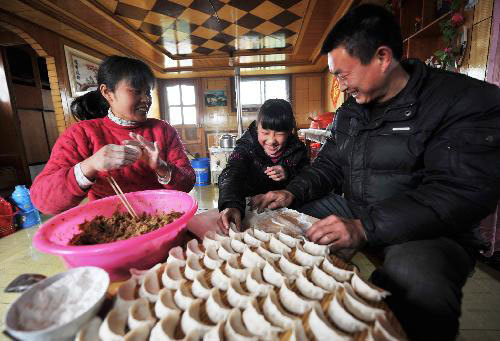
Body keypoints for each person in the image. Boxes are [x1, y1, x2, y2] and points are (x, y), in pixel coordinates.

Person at [251, 4, 500, 340]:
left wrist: (364, 227)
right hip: (360, 209)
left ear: (382, 58)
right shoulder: (353, 109)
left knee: (418, 281)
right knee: (282, 217)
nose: (339, 84)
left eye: (343, 73)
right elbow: (328, 165)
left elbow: (457, 194)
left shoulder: (464, 101)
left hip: (432, 229)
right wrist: (291, 191)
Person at [31, 55, 195, 214]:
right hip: (109, 225)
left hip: (163, 217)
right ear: (107, 92)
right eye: (136, 91)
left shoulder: (163, 130)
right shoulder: (81, 133)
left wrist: (161, 167)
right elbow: (43, 201)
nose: (146, 99)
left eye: (148, 92)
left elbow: (188, 182)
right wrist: (90, 165)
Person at [187, 99, 309, 237]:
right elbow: (232, 172)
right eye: (265, 133)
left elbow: (307, 178)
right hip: (250, 207)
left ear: (289, 131)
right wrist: (231, 204)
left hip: (285, 209)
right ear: (257, 128)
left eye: (279, 134)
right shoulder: (246, 145)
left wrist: (288, 171)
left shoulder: (298, 149)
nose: (271, 141)